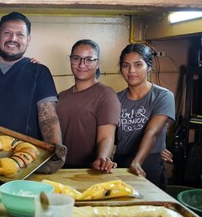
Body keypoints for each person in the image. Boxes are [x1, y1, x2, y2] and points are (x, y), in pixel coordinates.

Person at [0, 11, 66, 173]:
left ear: (28, 39)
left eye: (20, 34)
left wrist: (54, 151)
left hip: (25, 162)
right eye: (7, 33)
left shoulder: (39, 72)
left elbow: (48, 117)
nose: (13, 39)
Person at [114, 43, 175, 190]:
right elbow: (109, 135)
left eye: (138, 64)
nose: (131, 71)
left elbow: (151, 132)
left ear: (149, 67)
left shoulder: (163, 96)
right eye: (125, 65)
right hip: (120, 163)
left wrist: (137, 162)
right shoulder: (115, 99)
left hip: (148, 164)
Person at [57, 39, 120, 172]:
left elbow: (106, 137)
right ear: (70, 60)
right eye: (76, 58)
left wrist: (102, 158)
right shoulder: (61, 96)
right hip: (58, 169)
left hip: (87, 172)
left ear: (97, 63)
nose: (81, 64)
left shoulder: (106, 95)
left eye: (89, 59)